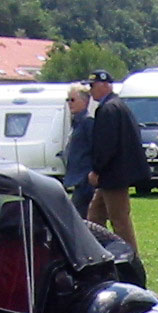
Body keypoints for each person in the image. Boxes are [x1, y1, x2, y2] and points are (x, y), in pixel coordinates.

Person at [83, 70, 150, 255]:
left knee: (120, 220)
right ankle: (95, 253)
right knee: (94, 218)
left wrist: (97, 169)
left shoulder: (108, 109)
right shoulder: (118, 106)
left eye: (92, 86)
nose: (90, 91)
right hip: (113, 175)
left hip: (113, 175)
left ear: (105, 85)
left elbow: (106, 144)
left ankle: (131, 258)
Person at [63, 84, 95, 219]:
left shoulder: (88, 122)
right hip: (76, 178)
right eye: (68, 100)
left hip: (85, 179)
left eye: (73, 100)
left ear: (85, 101)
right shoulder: (76, 122)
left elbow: (95, 149)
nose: (69, 104)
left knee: (77, 217)